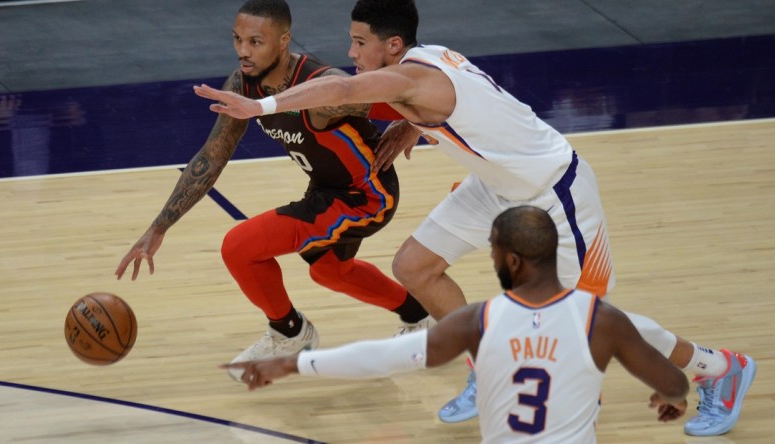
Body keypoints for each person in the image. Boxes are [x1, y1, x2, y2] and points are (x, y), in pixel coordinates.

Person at [192, 0, 756, 435]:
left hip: (555, 191)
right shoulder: (425, 61)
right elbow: (433, 100)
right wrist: (413, 122)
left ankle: (718, 367)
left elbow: (340, 88)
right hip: (496, 186)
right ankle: (486, 374)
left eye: (360, 43)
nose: (353, 51)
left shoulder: (411, 77)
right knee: (415, 266)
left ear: (391, 45)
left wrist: (258, 105)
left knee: (585, 321)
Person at [115, 0, 434, 382]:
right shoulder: (243, 83)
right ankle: (421, 315)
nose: (243, 51)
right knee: (331, 272)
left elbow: (424, 93)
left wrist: (412, 126)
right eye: (238, 39)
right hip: (328, 189)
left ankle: (289, 332)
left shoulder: (324, 85)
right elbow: (212, 157)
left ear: (283, 41)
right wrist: (159, 227)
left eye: (255, 41)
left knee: (240, 246)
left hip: (364, 196)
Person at [221, 206, 690, 443]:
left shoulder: (478, 323)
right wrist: (669, 397)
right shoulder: (603, 321)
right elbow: (671, 381)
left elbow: (380, 357)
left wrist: (294, 366)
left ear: (509, 259)